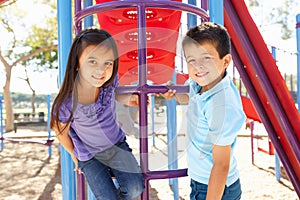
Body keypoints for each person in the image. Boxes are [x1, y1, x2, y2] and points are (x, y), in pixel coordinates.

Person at [50, 28, 144, 200]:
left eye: (108, 63)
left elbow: (115, 93)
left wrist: (128, 100)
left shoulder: (108, 83)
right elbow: (60, 131)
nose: (101, 70)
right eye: (92, 61)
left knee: (135, 187)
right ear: (77, 63)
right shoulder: (67, 103)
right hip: (89, 156)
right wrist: (73, 153)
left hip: (116, 145)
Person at [161, 22, 246, 200]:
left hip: (216, 187)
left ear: (225, 62)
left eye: (206, 58)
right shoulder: (198, 83)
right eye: (191, 60)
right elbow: (189, 99)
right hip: (203, 180)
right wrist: (176, 94)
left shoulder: (221, 105)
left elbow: (221, 165)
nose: (198, 66)